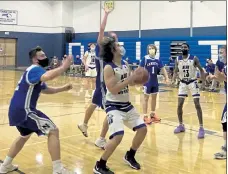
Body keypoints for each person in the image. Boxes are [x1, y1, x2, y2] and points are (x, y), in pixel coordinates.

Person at [0, 46, 75, 174]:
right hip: (25, 110)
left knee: (24, 136)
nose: (45, 57)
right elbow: (47, 77)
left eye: (45, 55)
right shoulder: (35, 69)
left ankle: (5, 165)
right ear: (35, 60)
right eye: (41, 56)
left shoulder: (35, 73)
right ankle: (58, 169)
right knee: (53, 130)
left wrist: (63, 88)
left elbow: (45, 89)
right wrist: (63, 67)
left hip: (16, 110)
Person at [93, 37, 147, 174]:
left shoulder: (124, 64)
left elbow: (130, 83)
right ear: (112, 50)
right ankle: (100, 164)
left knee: (142, 129)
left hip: (126, 105)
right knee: (118, 136)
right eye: (117, 45)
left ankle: (130, 155)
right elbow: (113, 89)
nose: (120, 47)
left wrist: (137, 79)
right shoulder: (108, 67)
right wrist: (129, 78)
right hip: (113, 106)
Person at [78, 7, 113, 149]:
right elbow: (102, 29)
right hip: (104, 86)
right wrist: (105, 14)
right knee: (112, 112)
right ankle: (101, 139)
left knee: (93, 103)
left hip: (101, 85)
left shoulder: (109, 54)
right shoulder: (101, 51)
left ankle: (84, 124)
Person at [172, 43, 205, 139]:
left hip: (192, 82)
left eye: (185, 47)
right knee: (179, 105)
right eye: (182, 47)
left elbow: (201, 70)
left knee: (197, 104)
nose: (183, 48)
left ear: (188, 48)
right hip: (182, 83)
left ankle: (201, 128)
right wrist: (173, 80)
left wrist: (203, 82)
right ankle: (181, 125)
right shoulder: (178, 59)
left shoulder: (194, 58)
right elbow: (175, 71)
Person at [140, 44, 169, 124]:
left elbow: (163, 69)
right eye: (149, 48)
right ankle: (145, 116)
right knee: (145, 98)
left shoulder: (157, 59)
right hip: (147, 82)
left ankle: (152, 114)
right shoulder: (145, 58)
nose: (151, 50)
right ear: (147, 50)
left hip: (154, 81)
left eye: (152, 48)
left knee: (154, 98)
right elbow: (140, 69)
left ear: (155, 50)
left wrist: (166, 77)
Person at [210, 46, 227, 159]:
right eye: (219, 52)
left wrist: (224, 78)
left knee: (225, 122)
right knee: (224, 121)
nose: (220, 55)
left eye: (222, 52)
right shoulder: (224, 66)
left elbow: (225, 79)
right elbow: (222, 79)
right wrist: (213, 78)